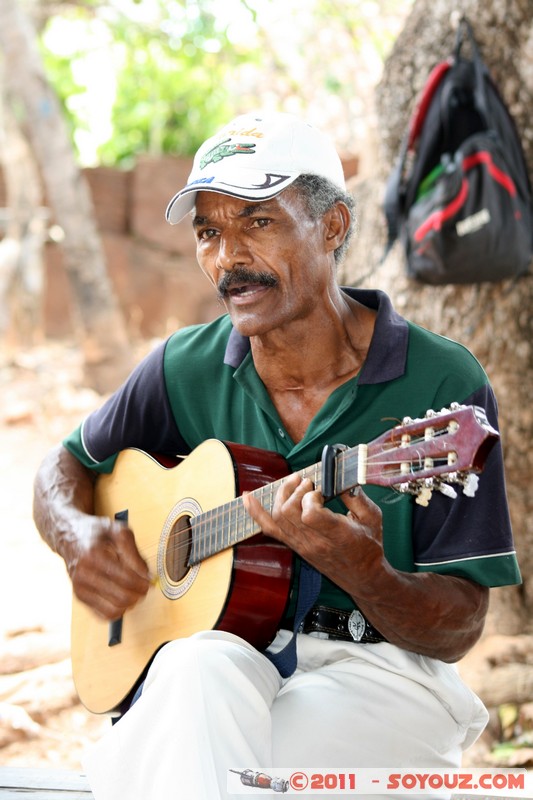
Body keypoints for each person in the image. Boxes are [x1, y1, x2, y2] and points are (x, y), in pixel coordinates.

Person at [33, 111, 520, 800]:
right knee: (196, 673)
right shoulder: (182, 366)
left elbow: (458, 630)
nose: (228, 256)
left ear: (333, 227)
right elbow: (63, 466)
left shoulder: (439, 388)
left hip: (380, 676)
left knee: (185, 760)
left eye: (257, 222)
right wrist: (79, 535)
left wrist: (366, 570)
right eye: (208, 231)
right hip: (218, 668)